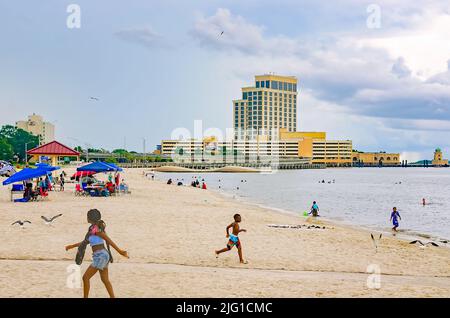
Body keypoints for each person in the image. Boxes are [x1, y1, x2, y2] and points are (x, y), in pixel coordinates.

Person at [65, 209, 129, 298]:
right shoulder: (92, 230)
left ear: (90, 218)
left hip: (101, 256)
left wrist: (120, 251)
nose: (86, 218)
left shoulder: (96, 230)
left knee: (85, 277)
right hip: (101, 256)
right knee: (105, 280)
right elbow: (85, 242)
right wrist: (71, 246)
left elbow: (108, 239)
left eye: (87, 216)